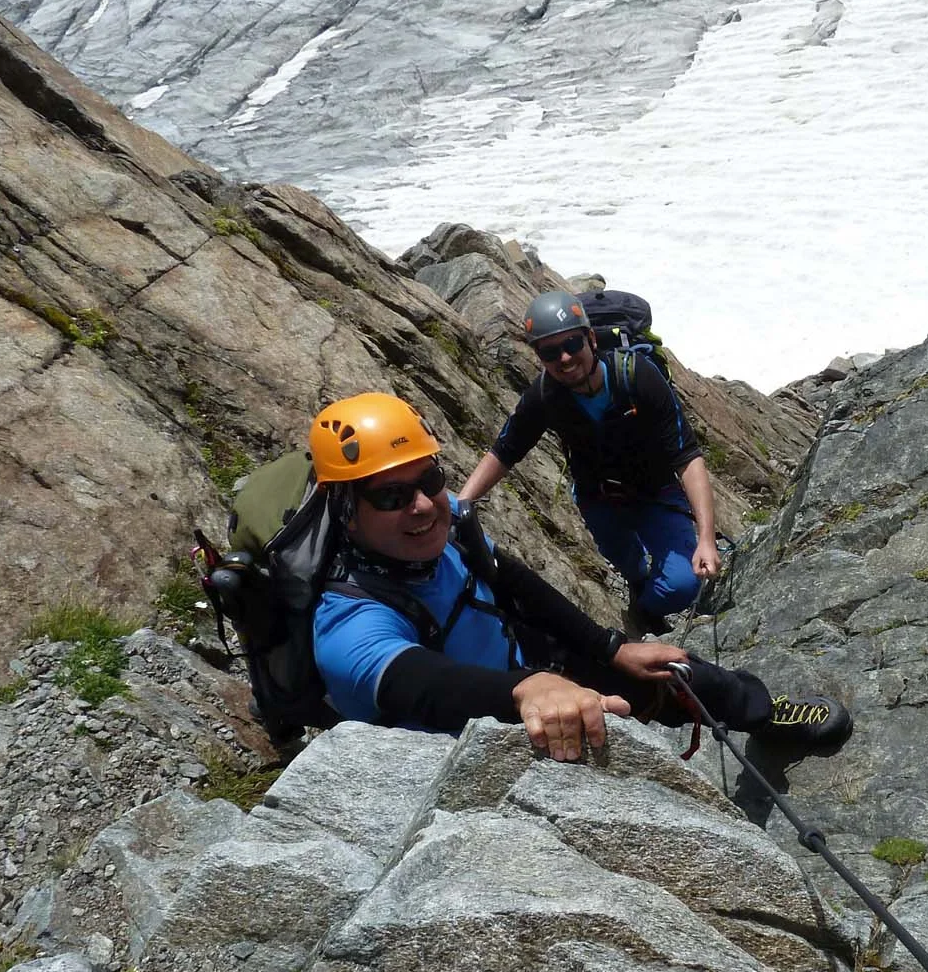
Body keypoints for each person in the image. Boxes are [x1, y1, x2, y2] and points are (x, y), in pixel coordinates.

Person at [305, 391, 849, 761]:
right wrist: (529, 689)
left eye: (431, 479)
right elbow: (419, 683)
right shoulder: (347, 619)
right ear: (346, 507)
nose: (424, 506)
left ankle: (764, 711)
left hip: (525, 677)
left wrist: (612, 649)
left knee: (669, 668)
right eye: (392, 496)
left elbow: (513, 582)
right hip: (459, 744)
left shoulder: (440, 526)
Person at [458, 290, 716, 635]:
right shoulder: (545, 396)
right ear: (538, 356)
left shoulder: (636, 377)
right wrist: (461, 503)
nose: (564, 358)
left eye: (572, 344)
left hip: (658, 495)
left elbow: (687, 457)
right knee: (629, 564)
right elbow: (505, 450)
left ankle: (643, 608)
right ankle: (640, 584)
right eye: (550, 351)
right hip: (600, 502)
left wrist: (706, 539)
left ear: (590, 339)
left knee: (682, 586)